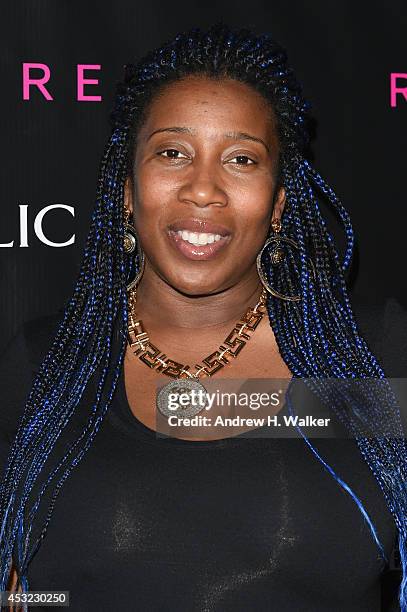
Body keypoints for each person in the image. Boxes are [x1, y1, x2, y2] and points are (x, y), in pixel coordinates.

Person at [0, 22, 406, 611]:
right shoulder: (44, 368)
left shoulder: (376, 355)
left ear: (277, 204)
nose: (203, 189)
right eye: (172, 152)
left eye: (242, 159)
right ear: (127, 190)